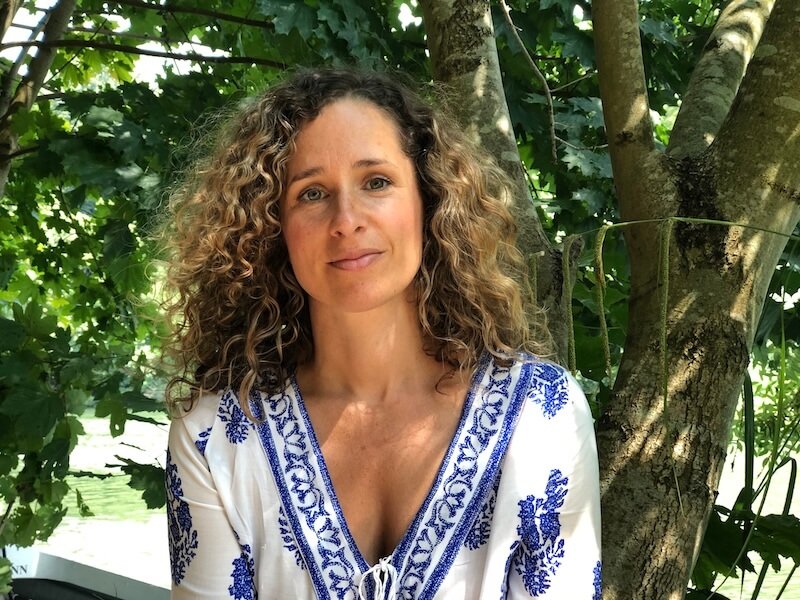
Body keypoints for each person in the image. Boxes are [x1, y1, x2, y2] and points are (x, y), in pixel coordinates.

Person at [161, 68, 601, 600]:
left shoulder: (541, 411)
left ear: (430, 199)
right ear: (273, 226)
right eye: (312, 193)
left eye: (376, 182)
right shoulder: (217, 433)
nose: (346, 220)